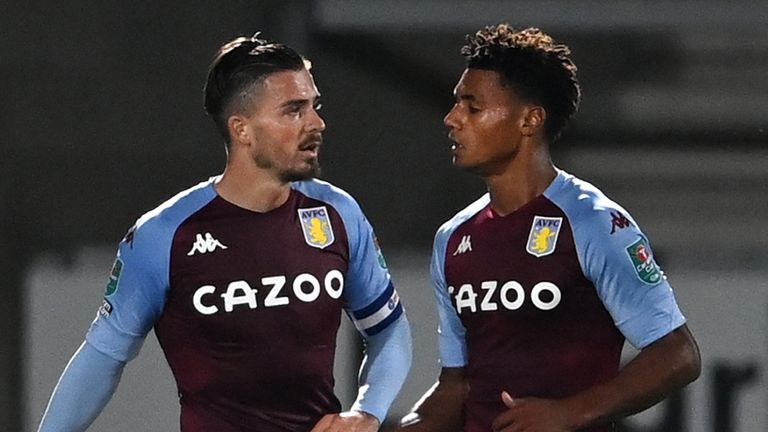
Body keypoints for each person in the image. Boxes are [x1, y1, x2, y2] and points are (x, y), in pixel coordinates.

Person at [38, 33, 411, 432]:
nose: (317, 123)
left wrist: (367, 412)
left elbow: (388, 326)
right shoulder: (164, 235)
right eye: (294, 110)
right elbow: (103, 356)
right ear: (242, 130)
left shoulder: (337, 212)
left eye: (314, 106)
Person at [394, 25, 700, 432]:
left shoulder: (593, 222)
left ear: (530, 119)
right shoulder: (453, 238)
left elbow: (677, 355)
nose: (452, 119)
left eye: (472, 105)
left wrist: (569, 412)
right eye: (456, 104)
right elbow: (457, 383)